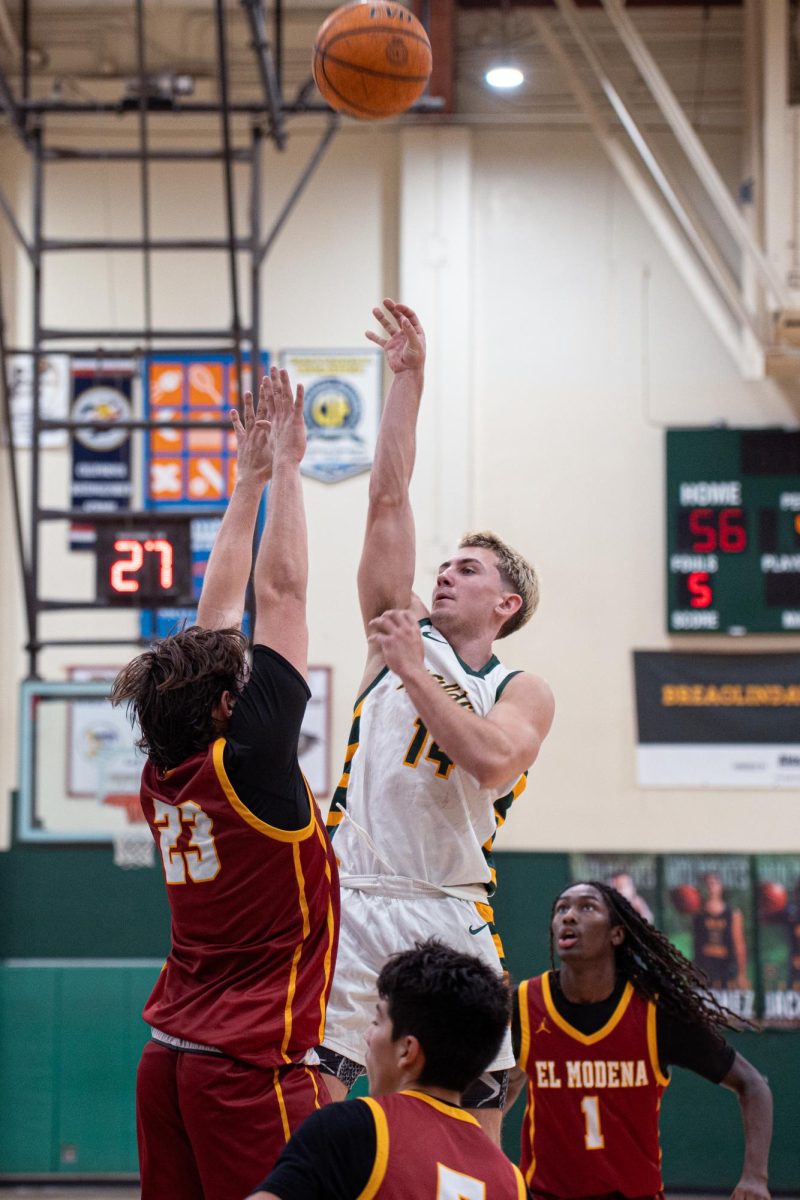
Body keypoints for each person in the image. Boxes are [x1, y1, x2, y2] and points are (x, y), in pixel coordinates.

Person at [318, 300, 555, 1138]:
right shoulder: (397, 632)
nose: (444, 576)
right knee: (310, 1095)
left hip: (447, 903)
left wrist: (417, 671)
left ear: (506, 601)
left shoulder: (519, 685)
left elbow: (492, 762)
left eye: (467, 569)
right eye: (443, 566)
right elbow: (388, 500)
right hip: (351, 893)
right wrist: (408, 382)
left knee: (484, 1107)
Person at [110, 369, 339, 1200]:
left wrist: (244, 486)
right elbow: (279, 594)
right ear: (226, 704)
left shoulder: (162, 773)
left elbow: (214, 624)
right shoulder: (253, 765)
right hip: (247, 1068)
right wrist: (289, 467)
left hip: (167, 1059)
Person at [508, 881, 772, 1200]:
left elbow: (753, 1085)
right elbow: (498, 1091)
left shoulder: (656, 1011)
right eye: (562, 908)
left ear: (616, 934)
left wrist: (754, 1177)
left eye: (587, 907)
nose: (569, 916)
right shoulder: (524, 1004)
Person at [248, 941, 528, 1199]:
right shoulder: (512, 1184)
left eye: (377, 1022)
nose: (367, 1037)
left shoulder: (350, 1128)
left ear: (408, 1050)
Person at [692, 870, 749, 992]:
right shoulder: (698, 914)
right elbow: (695, 944)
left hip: (725, 968)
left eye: (713, 883)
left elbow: (739, 944)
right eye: (707, 884)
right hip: (704, 968)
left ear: (721, 886)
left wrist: (742, 974)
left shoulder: (733, 913)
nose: (710, 887)